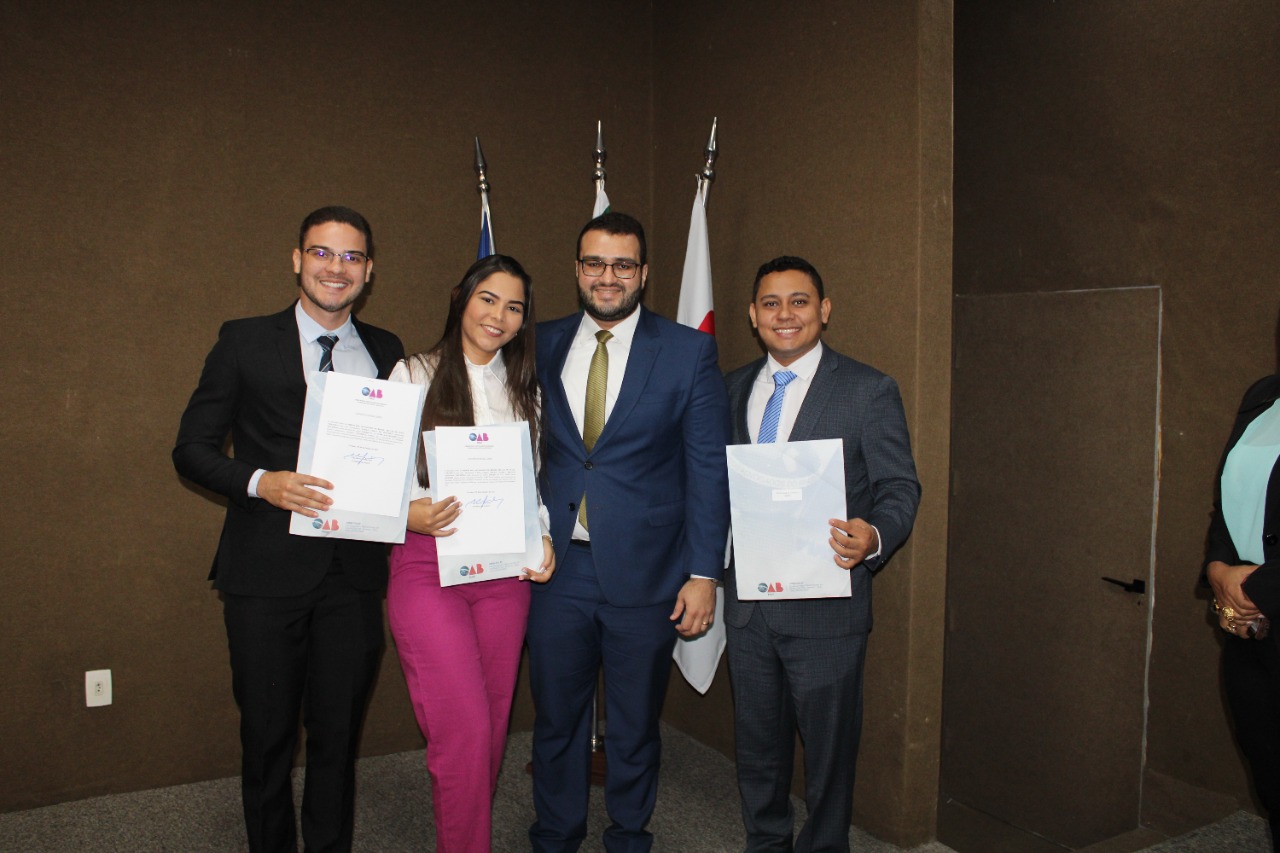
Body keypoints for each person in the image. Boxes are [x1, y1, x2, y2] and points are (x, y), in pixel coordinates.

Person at [172, 207, 404, 852]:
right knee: (268, 738)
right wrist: (260, 482)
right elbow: (191, 450)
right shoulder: (243, 340)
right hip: (264, 574)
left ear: (369, 271)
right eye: (322, 253)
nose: (336, 268)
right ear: (298, 259)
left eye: (352, 257)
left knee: (338, 739)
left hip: (353, 578)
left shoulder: (387, 350)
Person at [527, 211, 731, 852]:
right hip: (556, 568)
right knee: (555, 721)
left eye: (622, 264)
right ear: (577, 270)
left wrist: (704, 573)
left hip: (649, 571)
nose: (607, 276)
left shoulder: (687, 350)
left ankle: (628, 838)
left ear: (643, 273)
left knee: (635, 724)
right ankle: (555, 836)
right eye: (595, 263)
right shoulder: (538, 341)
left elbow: (707, 468)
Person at [723, 256, 920, 853]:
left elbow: (899, 486)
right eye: (771, 303)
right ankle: (766, 842)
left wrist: (874, 536)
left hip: (828, 609)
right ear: (753, 315)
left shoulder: (868, 389)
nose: (785, 314)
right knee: (758, 750)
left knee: (830, 758)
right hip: (749, 609)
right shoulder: (729, 388)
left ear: (824, 310)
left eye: (799, 301)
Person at [385, 253, 556, 853]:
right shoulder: (411, 374)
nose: (498, 316)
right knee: (463, 729)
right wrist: (409, 512)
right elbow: (376, 477)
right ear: (461, 298)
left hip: (505, 573)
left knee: (490, 727)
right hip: (427, 565)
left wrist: (543, 536)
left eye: (514, 308)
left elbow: (533, 486)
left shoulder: (526, 391)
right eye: (488, 299)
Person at [1204, 373, 1280, 852]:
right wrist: (1218, 570)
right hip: (1252, 635)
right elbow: (1228, 505)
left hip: (1259, 601)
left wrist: (1253, 588)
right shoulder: (1264, 395)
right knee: (1271, 777)